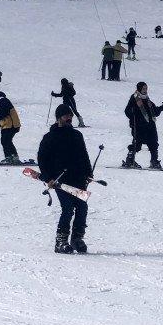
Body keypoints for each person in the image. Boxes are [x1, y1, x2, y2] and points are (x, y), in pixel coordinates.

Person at [37, 105, 92, 253]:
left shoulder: (76, 135)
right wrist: (48, 177)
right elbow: (42, 160)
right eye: (66, 116)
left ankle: (77, 239)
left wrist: (88, 173)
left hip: (79, 179)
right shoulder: (50, 137)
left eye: (71, 116)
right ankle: (60, 241)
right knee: (67, 208)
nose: (69, 118)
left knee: (82, 207)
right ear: (59, 117)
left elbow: (84, 155)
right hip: (60, 181)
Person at [122, 82, 163, 169]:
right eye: (143, 88)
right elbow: (127, 111)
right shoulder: (135, 98)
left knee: (153, 143)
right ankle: (130, 160)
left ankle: (154, 161)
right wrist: (133, 115)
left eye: (146, 88)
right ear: (139, 88)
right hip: (139, 126)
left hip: (150, 125)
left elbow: (154, 111)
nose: (145, 90)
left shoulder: (147, 99)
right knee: (137, 143)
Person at [0, 88, 22, 164]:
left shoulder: (1, 100)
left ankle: (11, 157)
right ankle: (12, 157)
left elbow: (5, 111)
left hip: (11, 124)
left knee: (6, 141)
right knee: (6, 141)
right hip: (8, 125)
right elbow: (2, 113)